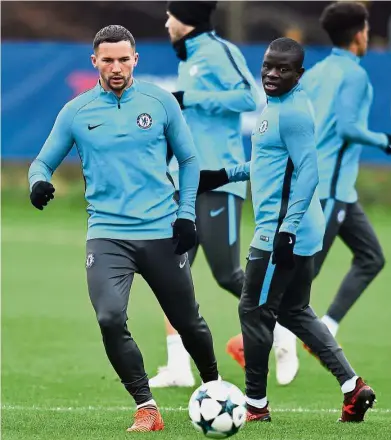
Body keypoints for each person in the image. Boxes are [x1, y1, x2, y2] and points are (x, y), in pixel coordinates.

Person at [28, 25, 219, 433]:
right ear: (94, 61)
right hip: (107, 234)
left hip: (161, 231)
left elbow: (188, 161)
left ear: (136, 59)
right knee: (110, 317)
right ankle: (146, 406)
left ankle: (215, 388)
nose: (116, 67)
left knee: (190, 323)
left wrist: (185, 214)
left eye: (123, 59)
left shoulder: (161, 102)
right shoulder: (76, 112)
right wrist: (38, 183)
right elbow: (41, 163)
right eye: (108, 60)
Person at [197, 37, 376, 423]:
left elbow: (309, 172)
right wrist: (223, 175)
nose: (272, 74)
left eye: (283, 69)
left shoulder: (293, 112)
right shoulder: (274, 105)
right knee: (294, 311)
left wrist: (287, 229)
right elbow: (269, 162)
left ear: (300, 74)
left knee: (254, 310)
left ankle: (256, 407)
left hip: (282, 229)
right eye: (268, 66)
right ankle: (353, 387)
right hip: (298, 229)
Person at [149, 0, 298, 389]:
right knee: (171, 271)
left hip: (219, 181)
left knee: (226, 272)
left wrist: (190, 96)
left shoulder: (219, 51)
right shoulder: (189, 58)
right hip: (183, 182)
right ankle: (178, 365)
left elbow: (251, 99)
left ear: (188, 20)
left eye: (171, 14)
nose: (166, 21)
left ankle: (283, 332)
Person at [294, 2, 391, 359]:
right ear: (360, 34)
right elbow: (349, 127)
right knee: (305, 273)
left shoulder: (317, 71)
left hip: (338, 188)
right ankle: (253, 340)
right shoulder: (354, 74)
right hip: (329, 187)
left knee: (371, 257)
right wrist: (384, 140)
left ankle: (326, 328)